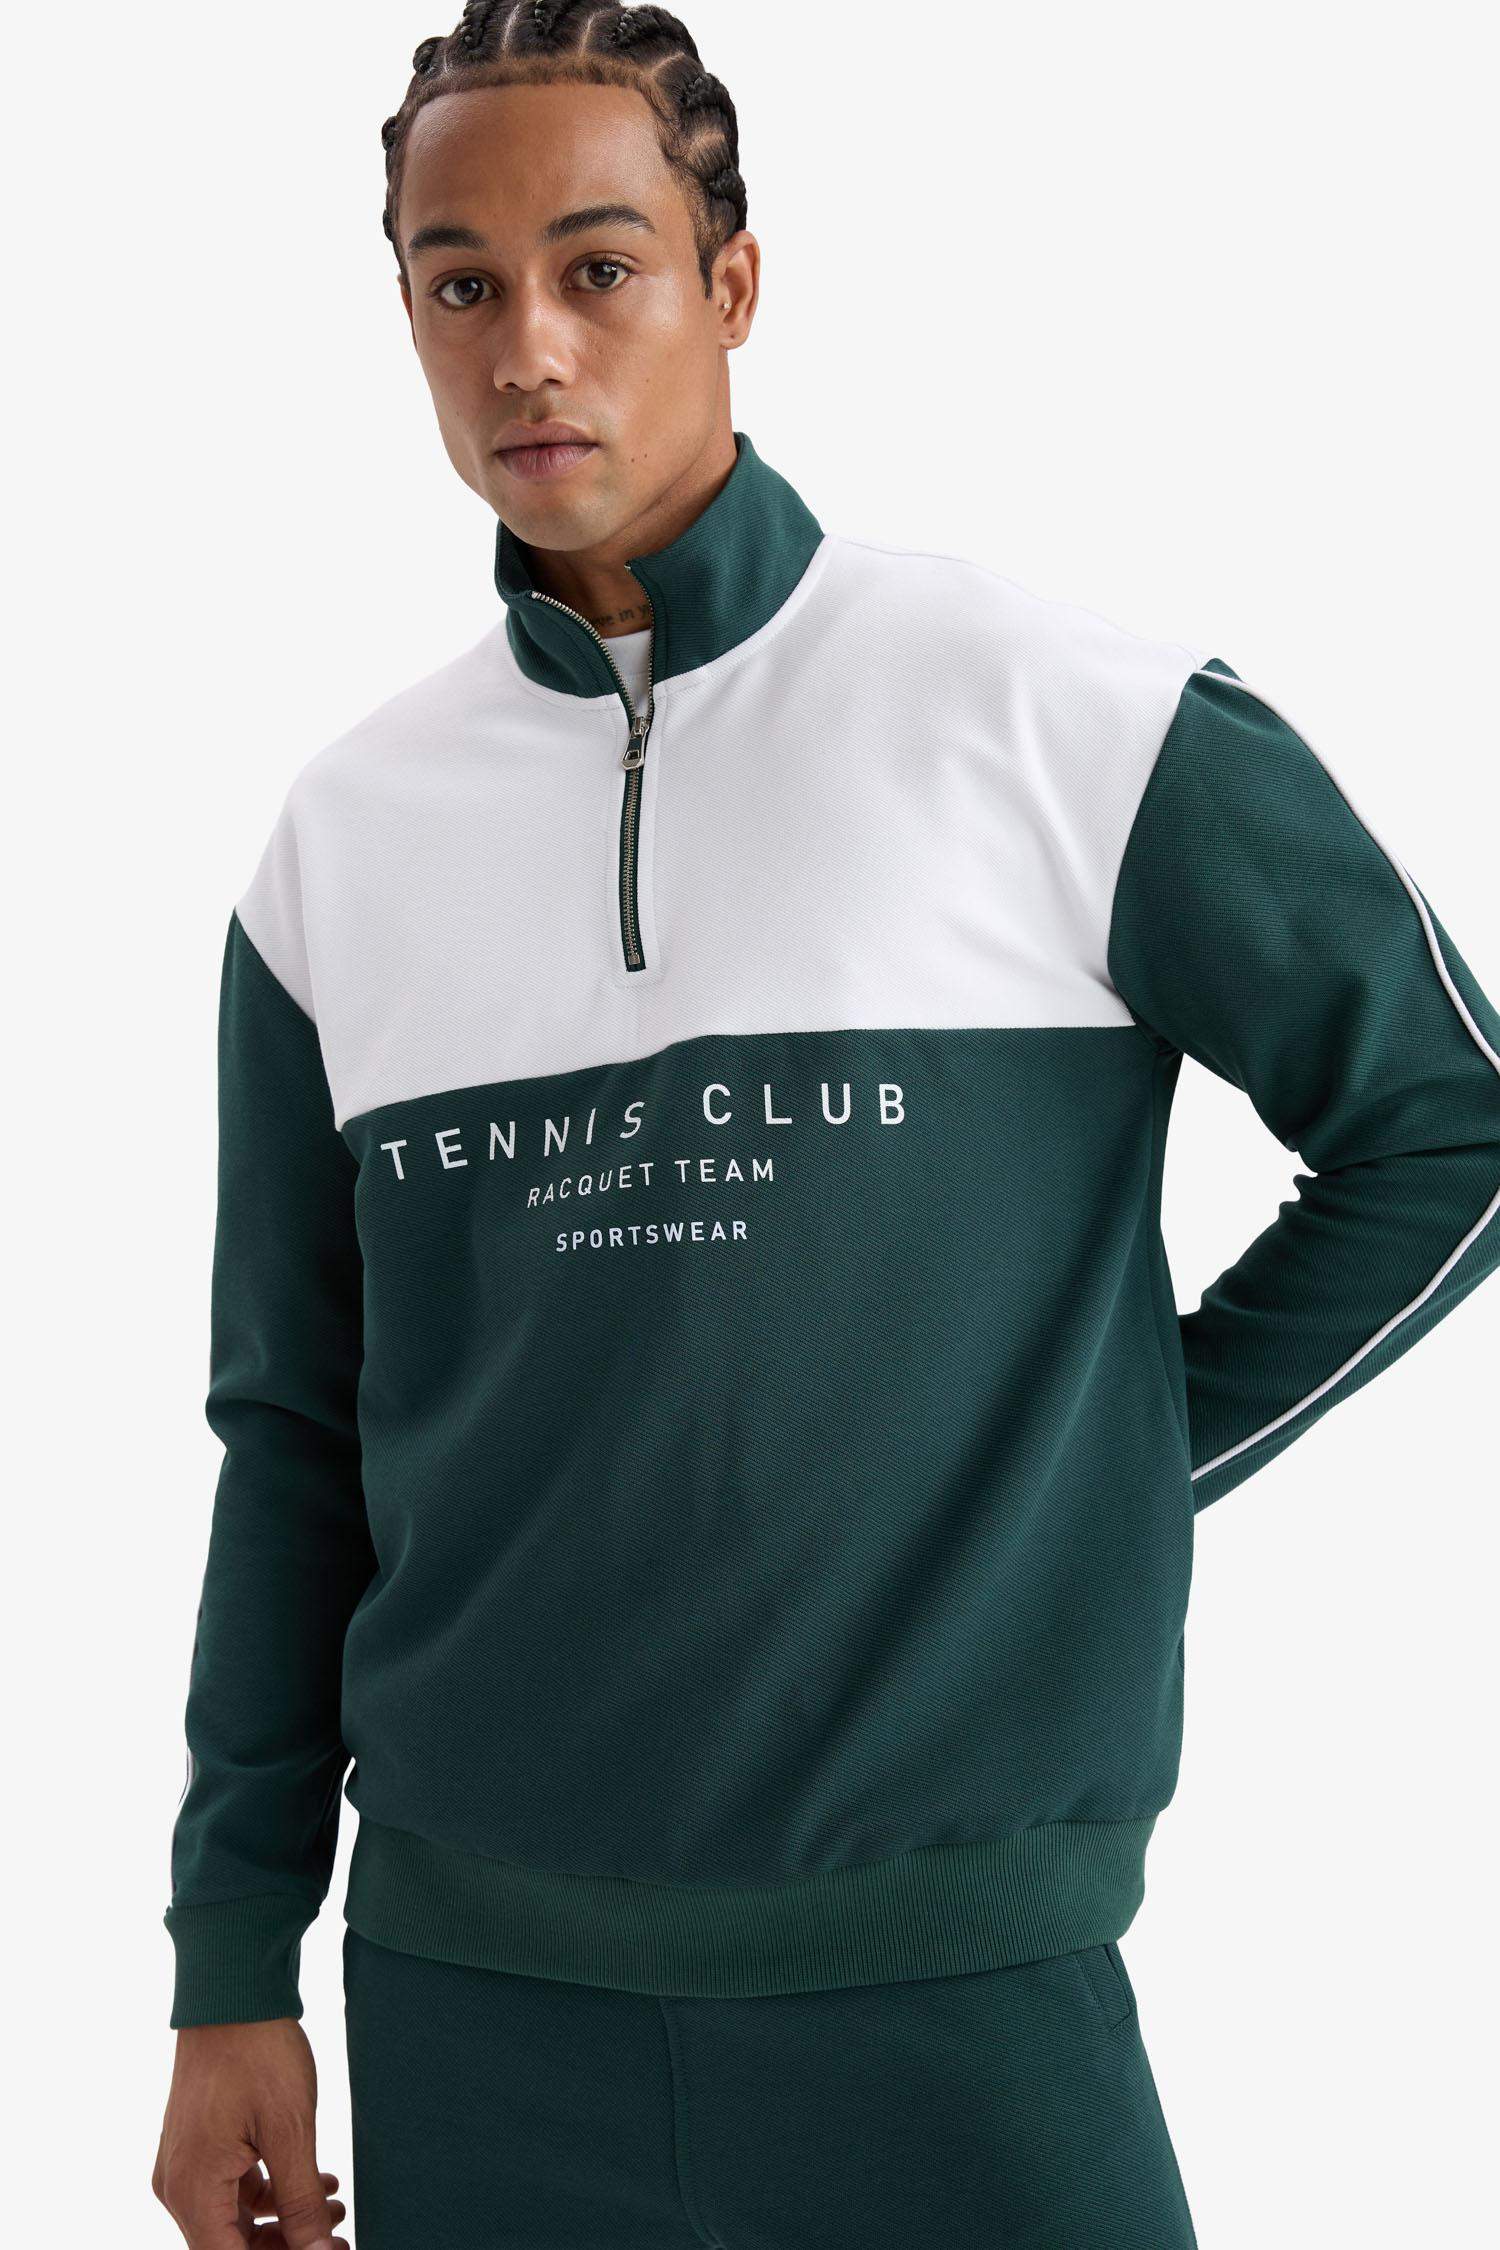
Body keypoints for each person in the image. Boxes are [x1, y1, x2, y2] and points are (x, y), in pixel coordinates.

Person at [151, 5, 1500, 2246]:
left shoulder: (1060, 715)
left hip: (960, 1992)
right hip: (474, 2008)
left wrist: (1094, 1472)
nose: (526, 348)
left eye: (600, 267)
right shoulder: (341, 848)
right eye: (459, 283)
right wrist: (229, 1965)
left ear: (734, 283)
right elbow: (295, 1439)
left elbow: (1449, 1126)